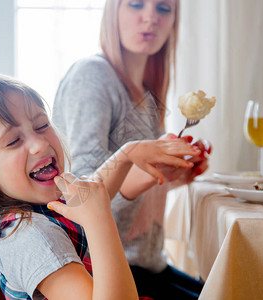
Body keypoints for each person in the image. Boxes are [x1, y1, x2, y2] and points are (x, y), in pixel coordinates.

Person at [0, 73, 201, 300]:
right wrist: (100, 220)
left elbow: (92, 190)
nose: (39, 143)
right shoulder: (31, 238)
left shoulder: (36, 208)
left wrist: (129, 153)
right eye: (13, 141)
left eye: (41, 125)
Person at [53, 0, 209, 299]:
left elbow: (133, 191)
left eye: (164, 9)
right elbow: (80, 197)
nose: (150, 17)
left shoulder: (147, 93)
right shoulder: (92, 76)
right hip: (110, 271)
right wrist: (143, 172)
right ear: (113, 11)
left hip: (149, 264)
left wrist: (173, 176)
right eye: (136, 5)